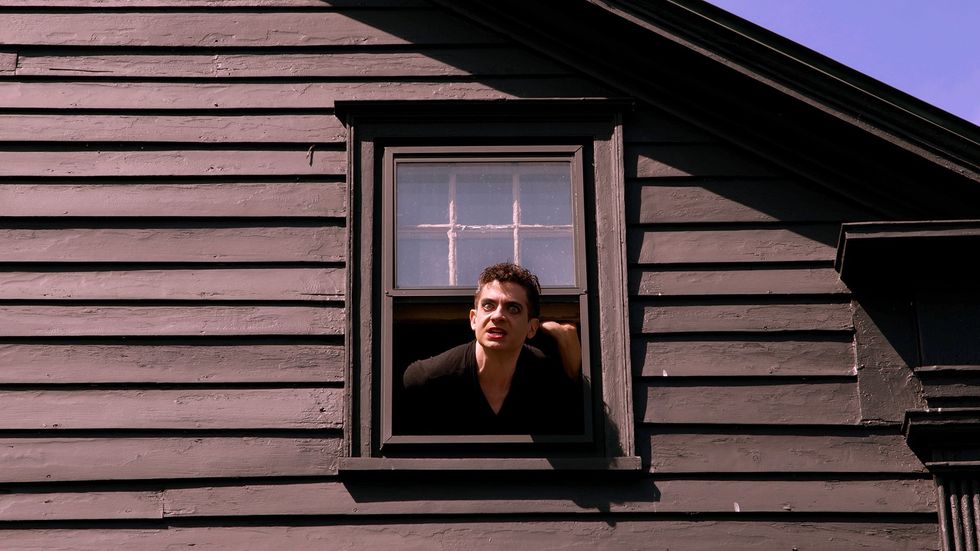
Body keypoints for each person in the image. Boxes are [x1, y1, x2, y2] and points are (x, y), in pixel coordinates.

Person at [401, 263, 583, 435]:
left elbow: (578, 408)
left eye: (513, 308)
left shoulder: (547, 380)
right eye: (488, 306)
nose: (497, 316)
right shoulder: (431, 378)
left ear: (532, 328)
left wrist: (569, 344)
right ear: (473, 319)